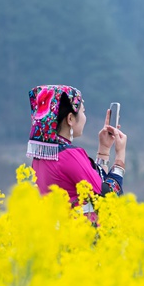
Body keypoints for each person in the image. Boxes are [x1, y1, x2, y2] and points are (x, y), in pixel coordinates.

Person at [26, 85, 127, 214]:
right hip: (81, 232)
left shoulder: (40, 157)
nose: (85, 118)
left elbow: (95, 185)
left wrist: (104, 149)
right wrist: (120, 157)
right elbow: (108, 197)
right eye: (83, 112)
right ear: (70, 119)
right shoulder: (70, 156)